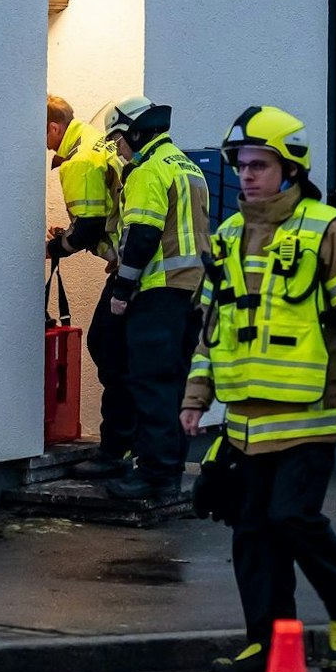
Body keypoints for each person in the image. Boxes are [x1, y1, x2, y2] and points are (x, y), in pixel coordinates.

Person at [181, 106, 336, 672]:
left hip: (311, 415)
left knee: (291, 518)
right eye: (241, 164)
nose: (246, 175)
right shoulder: (228, 236)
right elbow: (213, 327)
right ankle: (266, 646)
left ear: (291, 169)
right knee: (252, 535)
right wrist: (197, 396)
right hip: (244, 422)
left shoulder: (330, 229)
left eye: (260, 164)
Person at [91, 95, 210, 500]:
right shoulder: (186, 165)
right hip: (190, 293)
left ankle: (154, 475)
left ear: (138, 133)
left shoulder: (147, 171)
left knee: (151, 382)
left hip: (158, 292)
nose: (118, 148)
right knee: (172, 382)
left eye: (119, 138)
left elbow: (142, 234)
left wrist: (122, 290)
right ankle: (168, 469)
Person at [45, 96, 131, 468]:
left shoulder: (79, 160)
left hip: (132, 267)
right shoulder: (95, 140)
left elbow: (90, 226)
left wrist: (55, 247)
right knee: (120, 351)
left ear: (54, 128)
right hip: (134, 264)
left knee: (106, 346)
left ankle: (117, 447)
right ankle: (125, 442)